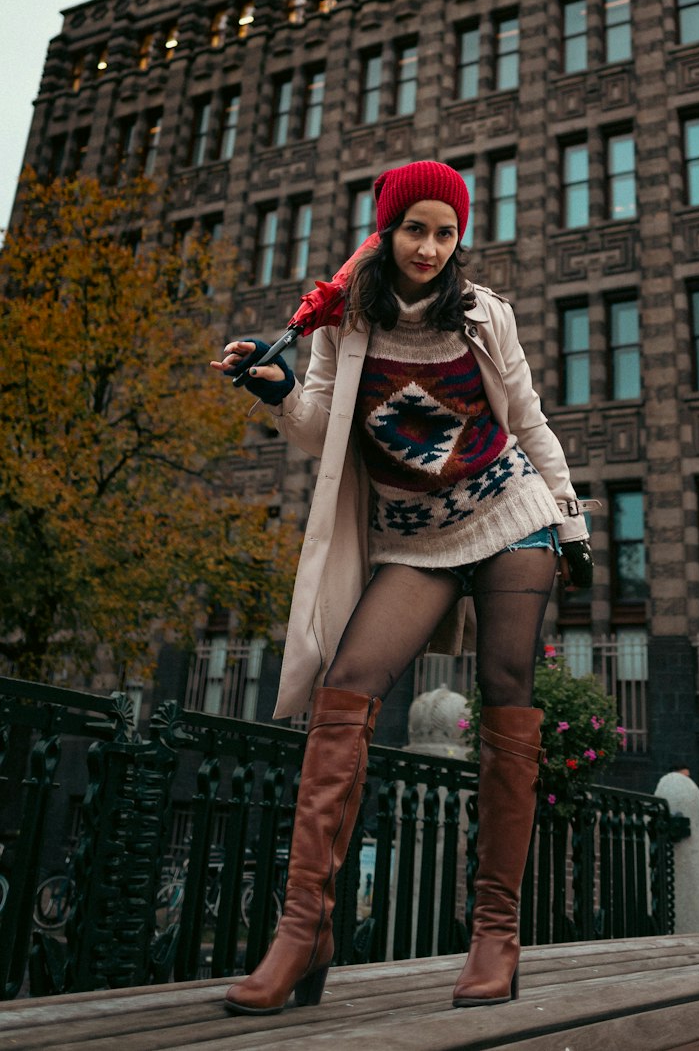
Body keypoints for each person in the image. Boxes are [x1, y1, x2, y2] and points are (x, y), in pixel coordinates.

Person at [210, 160, 592, 1016]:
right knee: (347, 688)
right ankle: (304, 930)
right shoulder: (340, 321)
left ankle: (495, 932)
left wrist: (570, 521)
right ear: (385, 231)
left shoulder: (484, 315)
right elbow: (319, 429)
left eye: (444, 232)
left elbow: (527, 422)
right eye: (413, 229)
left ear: (459, 237)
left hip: (510, 514)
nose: (428, 247)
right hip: (416, 539)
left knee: (506, 692)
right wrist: (272, 390)